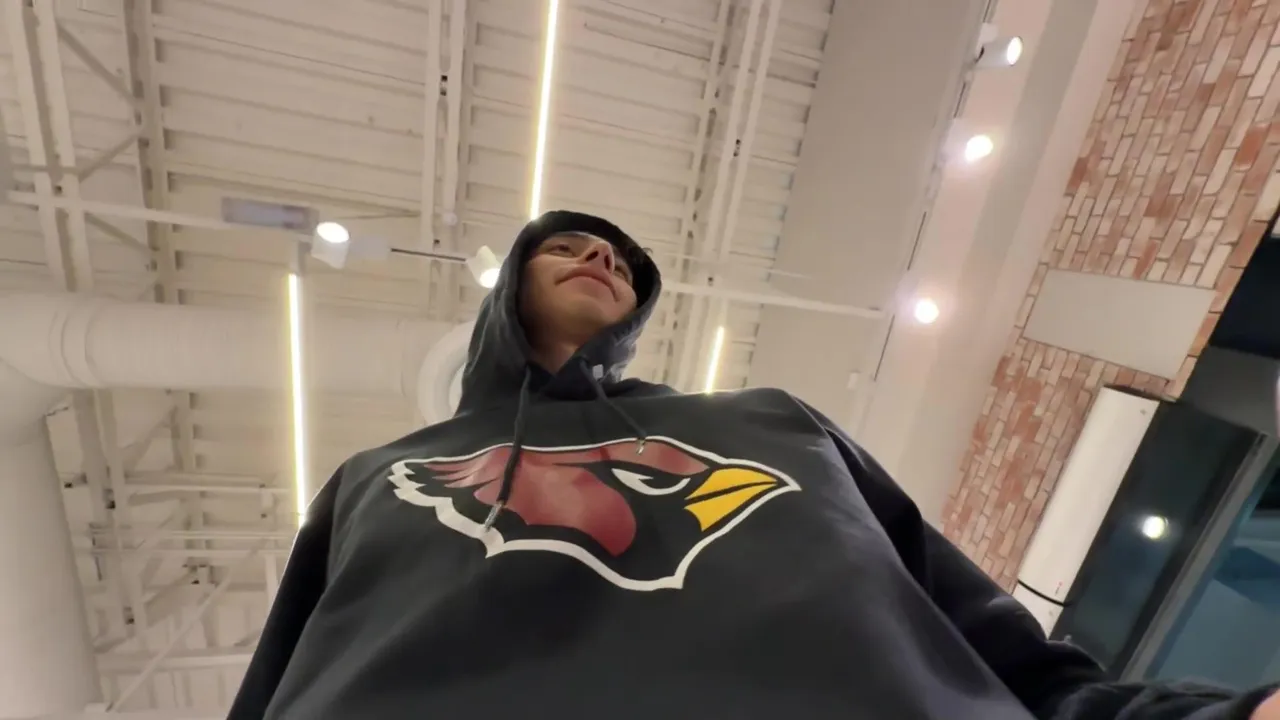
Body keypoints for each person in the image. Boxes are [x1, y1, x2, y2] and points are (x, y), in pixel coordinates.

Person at [229, 210, 1280, 719]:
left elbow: (1008, 658)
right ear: (507, 286)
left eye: (619, 257)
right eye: (565, 245)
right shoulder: (380, 476)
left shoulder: (775, 422)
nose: (601, 256)